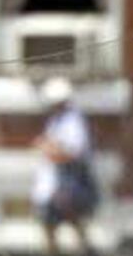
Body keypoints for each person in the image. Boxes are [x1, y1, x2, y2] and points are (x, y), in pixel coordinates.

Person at [32, 77, 99, 255]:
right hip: (55, 183)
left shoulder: (73, 122)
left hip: (68, 181)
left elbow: (73, 153)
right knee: (52, 225)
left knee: (71, 221)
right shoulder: (56, 121)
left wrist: (49, 148)